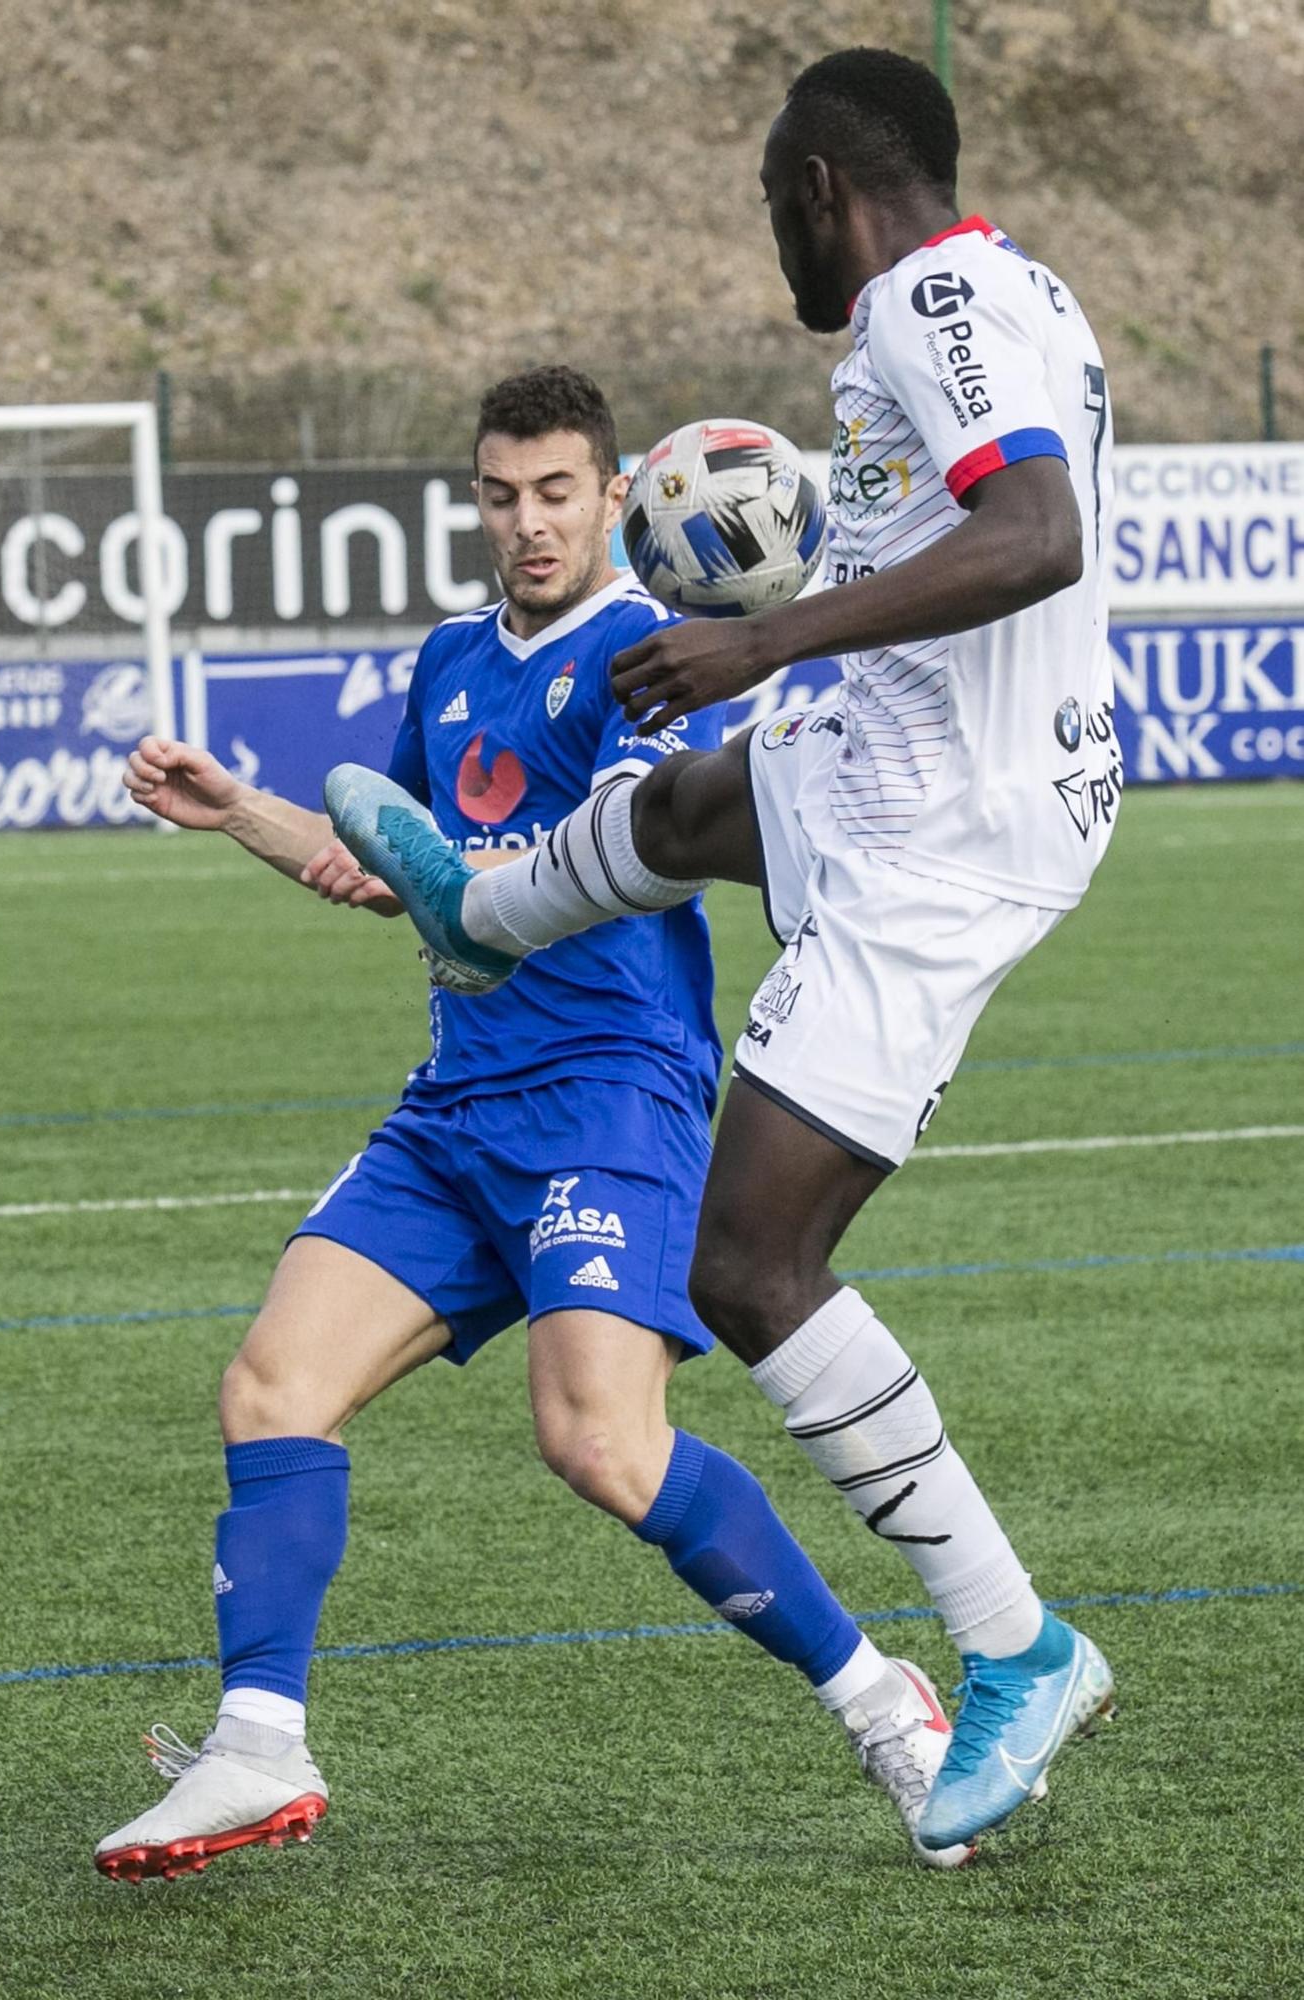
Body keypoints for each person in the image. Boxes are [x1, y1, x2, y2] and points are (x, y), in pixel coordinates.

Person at [329, 53, 1122, 1857]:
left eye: (777, 196)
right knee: (682, 812)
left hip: (950, 830)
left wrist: (771, 644)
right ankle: (486, 906)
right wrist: (796, 600)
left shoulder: (929, 298)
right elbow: (964, 520)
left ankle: (1016, 1642)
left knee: (748, 1260)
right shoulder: (1001, 293)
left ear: (826, 180)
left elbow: (1033, 535)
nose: (773, 228)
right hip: (899, 749)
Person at [95, 366, 972, 1884]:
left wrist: (467, 880)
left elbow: (612, 855)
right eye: (501, 497)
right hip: (455, 1105)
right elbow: (400, 865)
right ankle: (258, 1745)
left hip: (606, 1097)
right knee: (269, 1386)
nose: (528, 524)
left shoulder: (648, 649)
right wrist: (245, 809)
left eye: (557, 492)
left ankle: (880, 1704)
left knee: (598, 1441)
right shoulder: (447, 659)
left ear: (614, 495)